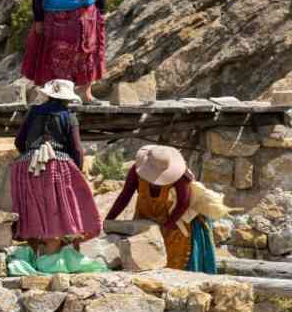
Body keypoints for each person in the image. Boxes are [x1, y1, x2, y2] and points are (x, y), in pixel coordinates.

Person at [11, 79, 101, 255]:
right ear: (67, 98)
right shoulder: (69, 116)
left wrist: (31, 154)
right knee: (56, 209)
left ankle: (34, 255)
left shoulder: (33, 112)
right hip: (56, 167)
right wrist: (77, 170)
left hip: (27, 167)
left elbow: (19, 142)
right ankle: (53, 257)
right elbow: (76, 148)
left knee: (33, 210)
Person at [22, 0, 107, 104]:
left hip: (86, 21)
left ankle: (86, 94)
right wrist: (38, 20)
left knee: (86, 56)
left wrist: (101, 11)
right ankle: (58, 96)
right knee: (58, 58)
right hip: (57, 25)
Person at [105, 145, 217, 273]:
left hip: (175, 223)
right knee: (142, 262)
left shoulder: (181, 176)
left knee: (172, 266)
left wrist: (165, 227)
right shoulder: (136, 171)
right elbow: (125, 196)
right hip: (145, 220)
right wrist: (109, 220)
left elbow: (183, 203)